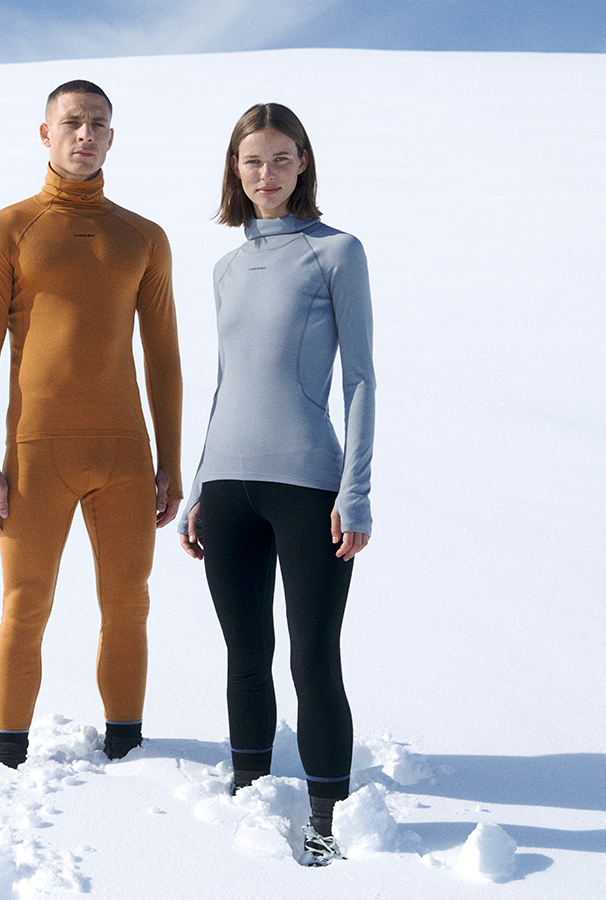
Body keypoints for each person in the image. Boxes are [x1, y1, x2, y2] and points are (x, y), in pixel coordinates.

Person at [0, 80, 183, 769]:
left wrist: (170, 462)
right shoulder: (4, 231)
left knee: (129, 603)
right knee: (25, 604)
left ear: (112, 138)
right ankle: (7, 756)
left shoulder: (143, 237)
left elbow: (164, 359)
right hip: (36, 456)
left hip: (125, 453)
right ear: (45, 133)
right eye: (71, 123)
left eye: (97, 124)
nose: (84, 134)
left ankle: (128, 747)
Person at [177, 103, 375, 866]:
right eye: (252, 160)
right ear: (236, 168)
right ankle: (250, 795)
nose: (267, 174)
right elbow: (226, 383)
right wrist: (200, 482)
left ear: (304, 164)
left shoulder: (336, 252)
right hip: (227, 489)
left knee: (312, 656)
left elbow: (360, 381)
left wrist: (353, 491)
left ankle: (327, 819)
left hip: (307, 487)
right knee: (244, 653)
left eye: (282, 158)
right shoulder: (226, 267)